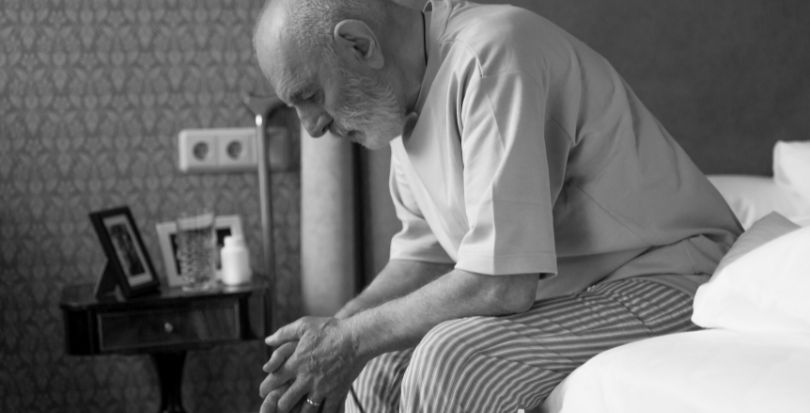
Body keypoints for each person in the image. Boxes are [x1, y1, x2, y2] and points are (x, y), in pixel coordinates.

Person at [252, 0, 742, 411]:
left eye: (311, 96)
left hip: (676, 276)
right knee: (378, 366)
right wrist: (338, 333)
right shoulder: (398, 102)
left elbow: (502, 282)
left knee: (450, 359)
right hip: (578, 291)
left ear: (359, 45)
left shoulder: (492, 56)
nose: (311, 128)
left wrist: (351, 339)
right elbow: (425, 259)